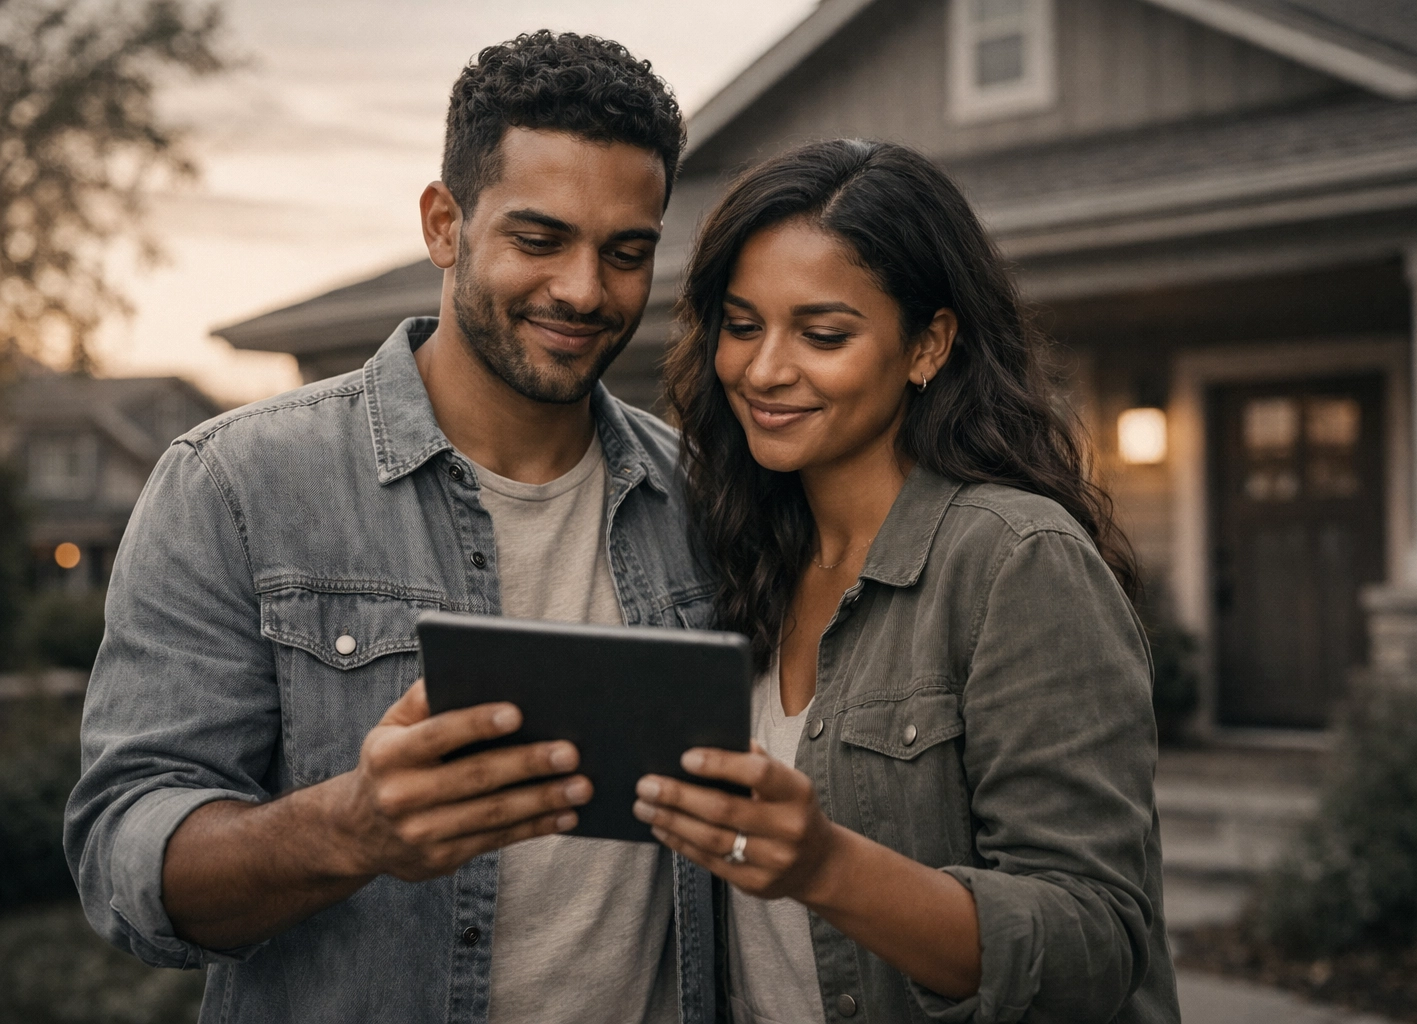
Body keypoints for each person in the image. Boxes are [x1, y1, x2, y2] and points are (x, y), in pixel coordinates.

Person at [65, 31, 720, 1024]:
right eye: (539, 239)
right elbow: (125, 857)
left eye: (626, 252)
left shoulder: (706, 502)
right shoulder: (236, 483)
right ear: (444, 223)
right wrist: (349, 830)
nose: (585, 290)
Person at [637, 138, 1181, 1024]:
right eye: (742, 325)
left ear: (928, 344)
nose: (765, 369)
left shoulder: (1015, 560)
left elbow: (1095, 940)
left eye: (822, 335)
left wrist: (826, 867)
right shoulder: (735, 556)